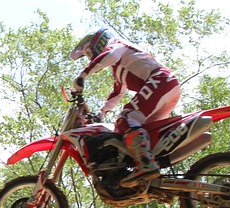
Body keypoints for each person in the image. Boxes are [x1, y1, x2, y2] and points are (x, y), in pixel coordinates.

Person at [70, 27, 181, 187]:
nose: (90, 58)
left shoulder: (116, 44)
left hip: (160, 80)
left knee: (126, 118)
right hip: (165, 87)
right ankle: (153, 180)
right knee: (142, 132)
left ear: (98, 43)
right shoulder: (119, 67)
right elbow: (117, 92)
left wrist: (84, 74)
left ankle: (146, 164)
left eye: (88, 53)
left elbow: (110, 54)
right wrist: (102, 112)